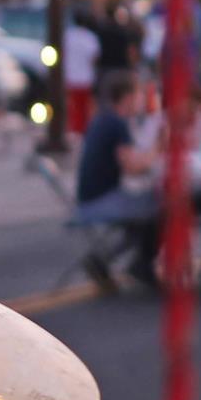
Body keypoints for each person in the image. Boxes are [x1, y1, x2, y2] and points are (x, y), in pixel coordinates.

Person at [74, 70, 162, 287]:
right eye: (139, 93)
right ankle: (142, 265)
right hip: (100, 201)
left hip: (90, 197)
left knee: (145, 210)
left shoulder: (104, 118)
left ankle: (104, 259)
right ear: (127, 97)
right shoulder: (117, 123)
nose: (142, 99)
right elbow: (133, 168)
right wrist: (159, 147)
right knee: (161, 206)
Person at [63, 10, 102, 135]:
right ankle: (83, 131)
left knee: (72, 107)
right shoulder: (90, 37)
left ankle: (73, 130)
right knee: (84, 108)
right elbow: (95, 58)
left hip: (70, 76)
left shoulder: (67, 36)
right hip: (85, 77)